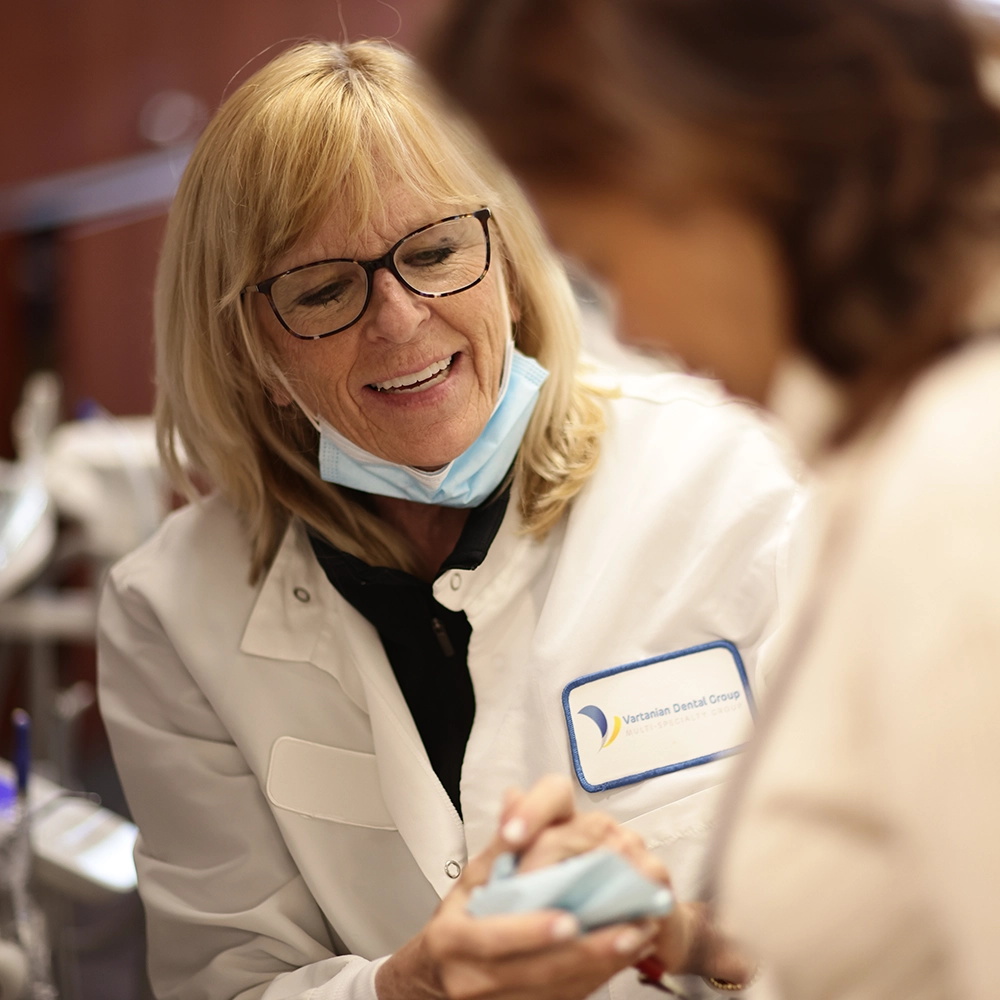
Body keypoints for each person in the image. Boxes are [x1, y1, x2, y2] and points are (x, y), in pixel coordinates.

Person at [97, 39, 802, 1000]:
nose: (398, 318)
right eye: (324, 289)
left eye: (433, 252)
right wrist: (409, 985)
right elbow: (227, 983)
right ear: (250, 351)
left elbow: (907, 916)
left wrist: (681, 936)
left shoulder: (739, 485)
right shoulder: (172, 613)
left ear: (507, 263)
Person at [427, 0, 1000, 997]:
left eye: (601, 262)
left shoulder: (958, 480)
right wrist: (674, 931)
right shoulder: (883, 453)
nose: (635, 325)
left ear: (709, 159)